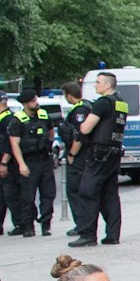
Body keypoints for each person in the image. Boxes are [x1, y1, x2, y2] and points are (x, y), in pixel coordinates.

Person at [67, 72, 129, 248]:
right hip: (113, 153)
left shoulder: (103, 103)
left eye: (98, 82)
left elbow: (86, 128)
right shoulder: (121, 103)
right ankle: (112, 235)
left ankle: (87, 235)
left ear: (107, 85)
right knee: (110, 195)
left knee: (87, 192)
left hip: (99, 154)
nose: (95, 85)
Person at [5, 90, 58, 236]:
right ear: (25, 103)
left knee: (48, 194)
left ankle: (46, 225)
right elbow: (14, 144)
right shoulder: (17, 120)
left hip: (45, 160)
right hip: (29, 161)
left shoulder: (43, 115)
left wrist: (48, 143)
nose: (37, 103)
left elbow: (51, 133)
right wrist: (21, 164)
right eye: (34, 101)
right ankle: (29, 226)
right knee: (27, 196)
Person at [57, 81, 88, 235]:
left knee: (75, 191)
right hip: (82, 157)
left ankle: (82, 225)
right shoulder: (84, 107)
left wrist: (71, 154)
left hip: (78, 157)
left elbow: (79, 135)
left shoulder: (80, 110)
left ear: (69, 95)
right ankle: (83, 224)